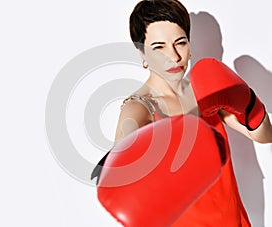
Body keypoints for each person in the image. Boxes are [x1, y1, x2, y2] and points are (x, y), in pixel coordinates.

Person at [93, 0, 272, 226]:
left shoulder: (205, 91)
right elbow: (124, 185)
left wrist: (250, 105)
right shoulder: (139, 108)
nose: (174, 56)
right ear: (142, 53)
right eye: (159, 47)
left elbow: (264, 135)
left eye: (180, 42)